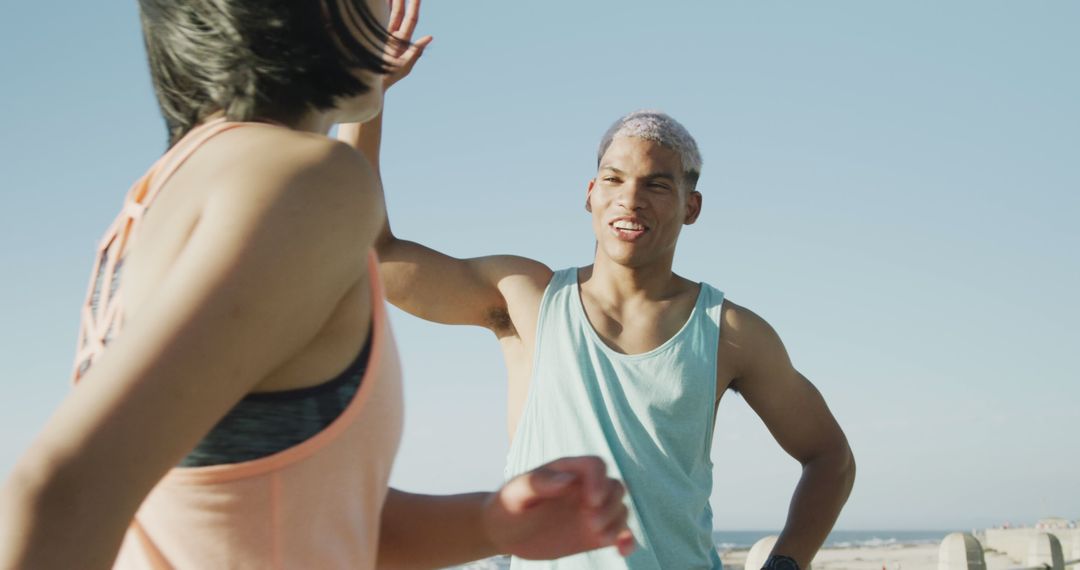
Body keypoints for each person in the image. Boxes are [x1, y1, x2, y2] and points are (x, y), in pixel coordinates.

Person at [0, 0, 635, 568]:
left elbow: (273, 518)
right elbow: (61, 491)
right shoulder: (305, 184)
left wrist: (490, 522)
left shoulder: (162, 198)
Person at [340, 16, 856, 570]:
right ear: (590, 194)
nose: (630, 199)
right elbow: (370, 248)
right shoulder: (525, 297)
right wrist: (363, 96)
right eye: (613, 179)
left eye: (657, 184)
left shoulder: (731, 332)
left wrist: (785, 563)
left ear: (691, 206)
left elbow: (829, 457)